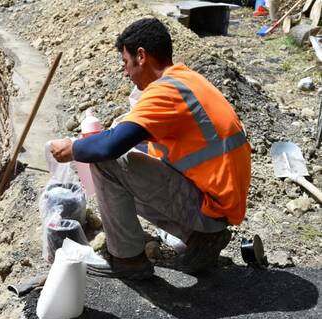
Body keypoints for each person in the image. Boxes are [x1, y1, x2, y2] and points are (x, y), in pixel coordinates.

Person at [49, 18, 251, 279]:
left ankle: (127, 260)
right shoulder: (186, 79)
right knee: (135, 156)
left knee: (110, 163)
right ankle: (199, 238)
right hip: (219, 202)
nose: (125, 72)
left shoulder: (164, 93)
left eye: (125, 62)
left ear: (141, 56)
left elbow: (108, 148)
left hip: (211, 206)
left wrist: (74, 147)